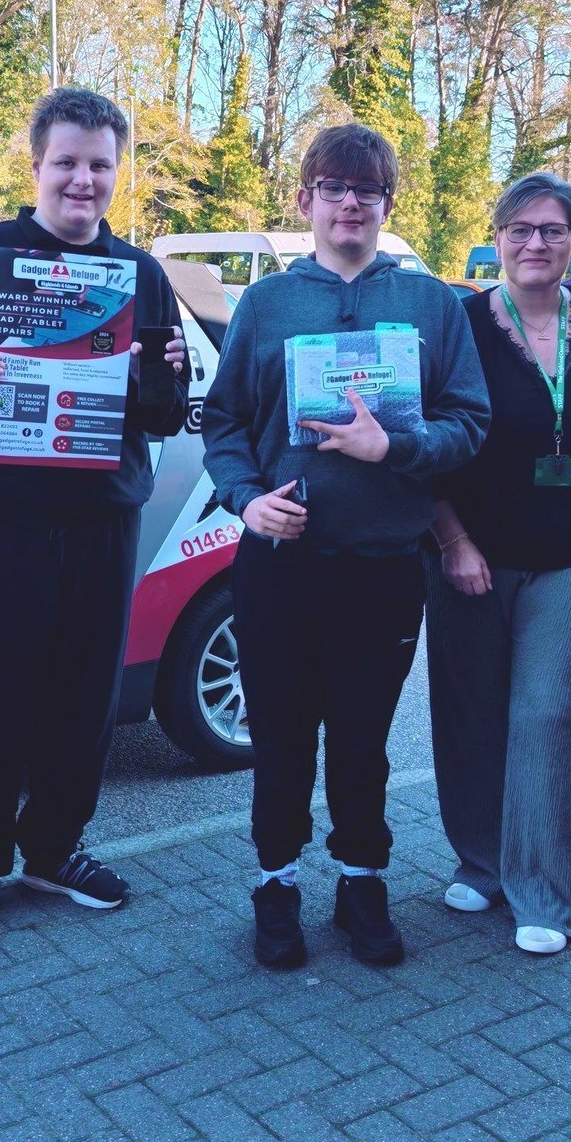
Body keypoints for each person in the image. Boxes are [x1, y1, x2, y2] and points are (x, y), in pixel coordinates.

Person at [202, 123, 488, 969]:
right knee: (282, 738)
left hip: (385, 567)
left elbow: (470, 422)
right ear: (307, 201)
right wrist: (248, 502)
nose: (351, 202)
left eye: (367, 190)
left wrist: (393, 450)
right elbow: (222, 425)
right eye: (334, 187)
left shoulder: (432, 303)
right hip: (280, 567)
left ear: (387, 204)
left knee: (362, 740)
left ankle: (362, 882)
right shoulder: (266, 303)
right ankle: (276, 884)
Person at [0, 86, 188, 940]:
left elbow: (163, 418)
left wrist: (162, 377)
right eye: (66, 162)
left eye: (100, 165)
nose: (83, 180)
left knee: (82, 700)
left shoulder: (140, 275)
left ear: (117, 174)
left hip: (98, 525)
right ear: (36, 166)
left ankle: (56, 848)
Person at [426, 174, 571, 955]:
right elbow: (427, 439)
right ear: (498, 237)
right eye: (520, 229)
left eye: (553, 229)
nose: (536, 243)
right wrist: (452, 541)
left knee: (544, 714)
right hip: (469, 553)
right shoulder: (460, 322)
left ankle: (544, 889)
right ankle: (481, 860)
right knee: (470, 710)